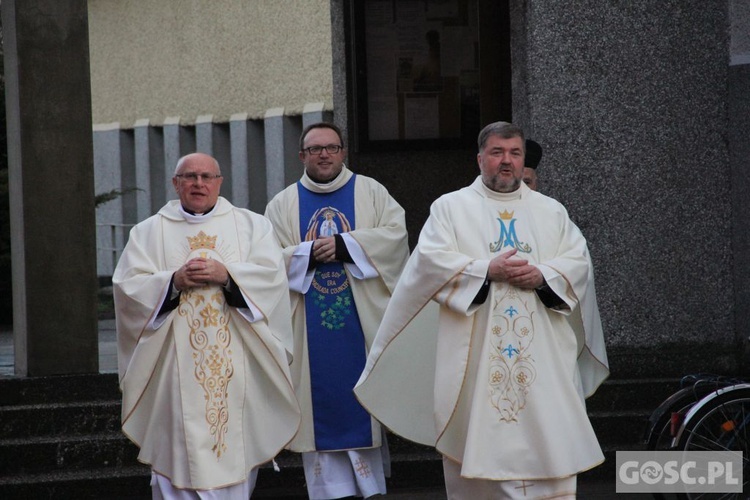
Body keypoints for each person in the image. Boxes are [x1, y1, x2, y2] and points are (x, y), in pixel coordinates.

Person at [355, 122, 609, 499]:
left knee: (551, 451)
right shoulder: (450, 208)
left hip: (543, 361)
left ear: (524, 161)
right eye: (497, 153)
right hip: (475, 362)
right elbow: (429, 263)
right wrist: (485, 270)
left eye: (514, 154)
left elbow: (578, 263)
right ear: (479, 159)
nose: (506, 162)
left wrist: (543, 274)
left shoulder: (551, 211)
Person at [113, 152, 300, 498]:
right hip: (174, 368)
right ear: (175, 183)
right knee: (178, 456)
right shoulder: (149, 232)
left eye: (206, 177)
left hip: (237, 366)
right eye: (189, 176)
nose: (198, 184)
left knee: (234, 446)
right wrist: (172, 281)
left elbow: (273, 281)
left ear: (219, 183)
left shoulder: (251, 226)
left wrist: (228, 277)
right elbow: (127, 290)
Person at [264, 122, 409, 499]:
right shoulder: (283, 204)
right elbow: (264, 263)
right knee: (320, 414)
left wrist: (347, 246)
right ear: (302, 156)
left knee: (361, 407)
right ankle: (329, 492)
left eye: (332, 147)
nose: (324, 154)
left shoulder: (371, 192)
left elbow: (396, 238)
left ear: (344, 152)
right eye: (315, 149)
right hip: (308, 330)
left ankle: (369, 488)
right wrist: (307, 253)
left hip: (360, 326)